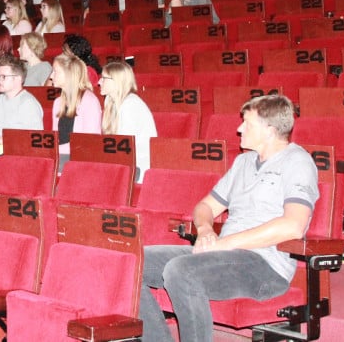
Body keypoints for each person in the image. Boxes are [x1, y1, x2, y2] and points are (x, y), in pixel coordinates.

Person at [138, 94, 319, 342]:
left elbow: (293, 226)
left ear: (269, 130)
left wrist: (223, 243)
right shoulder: (243, 162)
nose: (238, 128)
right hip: (223, 255)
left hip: (265, 265)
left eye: (247, 124)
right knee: (136, 261)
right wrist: (204, 230)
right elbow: (205, 206)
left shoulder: (298, 162)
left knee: (181, 271)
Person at [99, 62, 156, 178]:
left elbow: (124, 148)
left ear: (117, 81)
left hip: (138, 166)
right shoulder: (110, 101)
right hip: (123, 162)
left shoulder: (131, 105)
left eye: (104, 78)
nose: (99, 82)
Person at [50, 53, 101, 164]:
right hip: (62, 157)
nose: (51, 76)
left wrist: (56, 150)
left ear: (69, 74)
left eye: (55, 71)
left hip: (81, 159)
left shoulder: (89, 101)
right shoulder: (58, 103)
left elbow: (88, 143)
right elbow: (55, 139)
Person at [0, 56, 43, 147]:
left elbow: (32, 138)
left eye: (3, 77)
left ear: (18, 79)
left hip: (14, 151)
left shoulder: (28, 103)